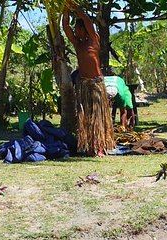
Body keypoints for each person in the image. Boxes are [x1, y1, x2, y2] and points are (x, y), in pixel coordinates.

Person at [62, 4, 114, 156]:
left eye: (78, 29)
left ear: (84, 29)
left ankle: (100, 147)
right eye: (76, 30)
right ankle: (90, 146)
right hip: (83, 84)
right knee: (86, 117)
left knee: (99, 117)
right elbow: (65, 27)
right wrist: (65, 10)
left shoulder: (93, 40)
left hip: (96, 84)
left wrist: (77, 9)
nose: (76, 32)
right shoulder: (78, 44)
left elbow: (87, 21)